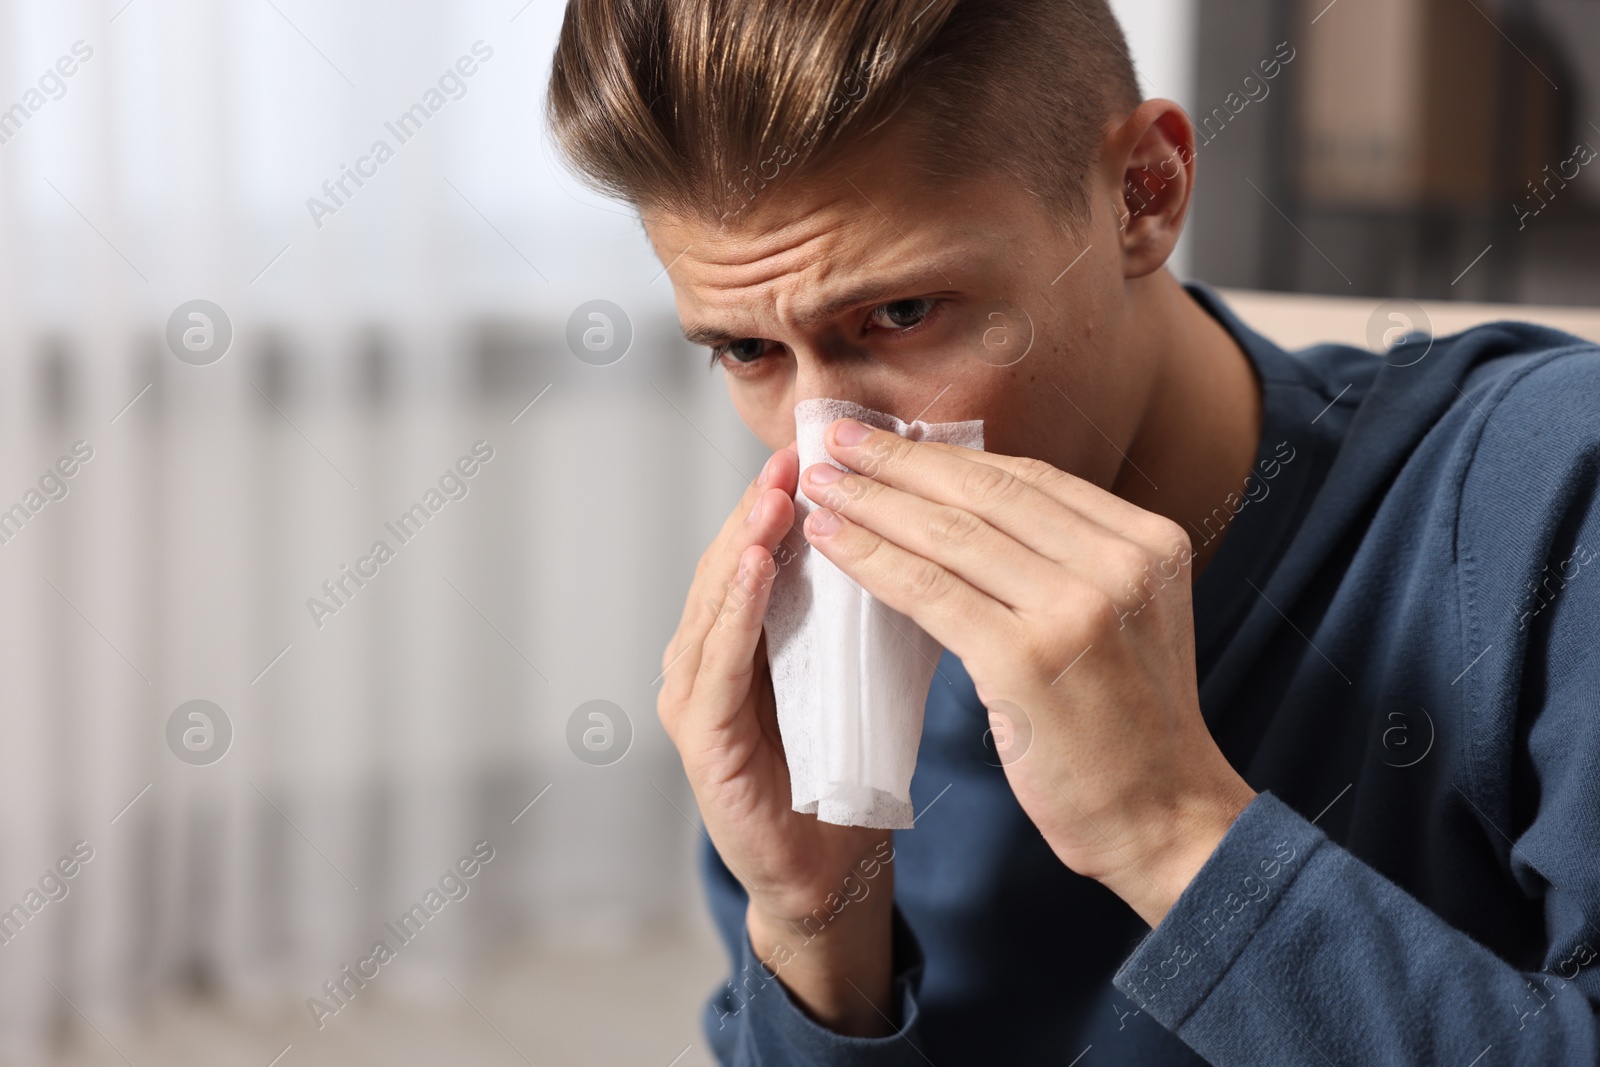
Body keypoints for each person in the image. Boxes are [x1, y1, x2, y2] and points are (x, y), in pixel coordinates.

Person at [546, 1, 1600, 1063]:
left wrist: (1171, 830)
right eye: (743, 350)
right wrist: (814, 933)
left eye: (903, 314)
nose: (823, 451)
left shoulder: (1554, 489)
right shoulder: (820, 679)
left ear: (1144, 192)